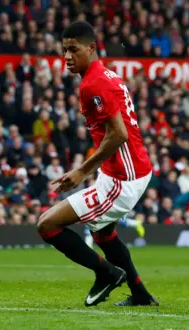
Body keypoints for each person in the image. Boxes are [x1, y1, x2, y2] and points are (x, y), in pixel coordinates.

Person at [36, 21, 158, 307]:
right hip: (126, 170)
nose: (66, 56)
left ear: (90, 48)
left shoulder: (94, 83)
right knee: (103, 234)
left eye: (73, 49)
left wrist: (81, 171)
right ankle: (140, 293)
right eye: (64, 50)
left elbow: (118, 134)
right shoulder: (107, 76)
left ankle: (106, 273)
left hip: (123, 178)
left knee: (47, 225)